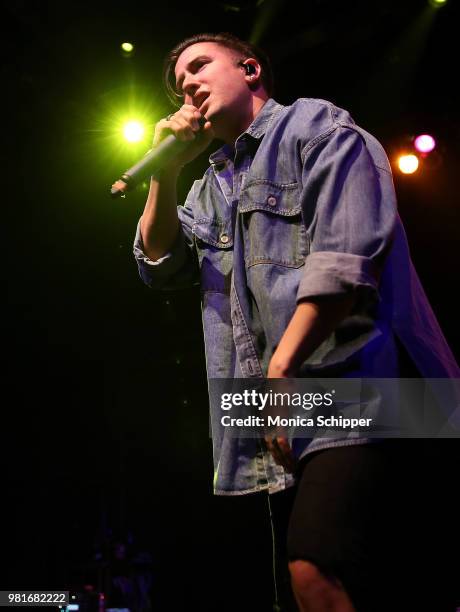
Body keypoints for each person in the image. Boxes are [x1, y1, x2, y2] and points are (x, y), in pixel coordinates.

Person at [131, 32, 459, 611]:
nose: (187, 85)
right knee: (326, 584)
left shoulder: (317, 126)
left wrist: (281, 372)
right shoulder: (209, 186)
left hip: (366, 382)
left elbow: (347, 258)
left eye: (200, 67)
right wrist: (165, 170)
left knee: (317, 566)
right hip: (285, 405)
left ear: (251, 68)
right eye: (179, 84)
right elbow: (159, 266)